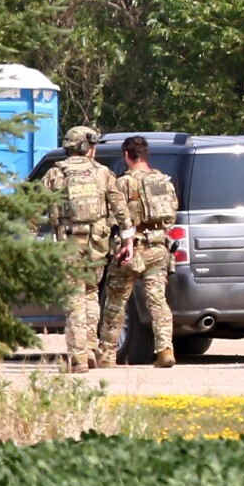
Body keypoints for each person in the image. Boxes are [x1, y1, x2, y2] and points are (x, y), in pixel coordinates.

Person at [42, 126, 133, 374]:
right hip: (97, 244)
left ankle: (79, 357)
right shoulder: (102, 173)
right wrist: (128, 239)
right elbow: (120, 209)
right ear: (85, 146)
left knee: (74, 298)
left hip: (69, 243)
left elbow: (33, 210)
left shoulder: (55, 174)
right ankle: (91, 349)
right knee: (92, 292)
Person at [97, 135, 178, 368]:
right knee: (157, 301)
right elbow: (171, 214)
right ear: (146, 155)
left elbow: (115, 218)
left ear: (126, 156)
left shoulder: (123, 183)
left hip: (131, 248)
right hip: (158, 247)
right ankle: (165, 349)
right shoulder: (164, 181)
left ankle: (106, 355)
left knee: (115, 302)